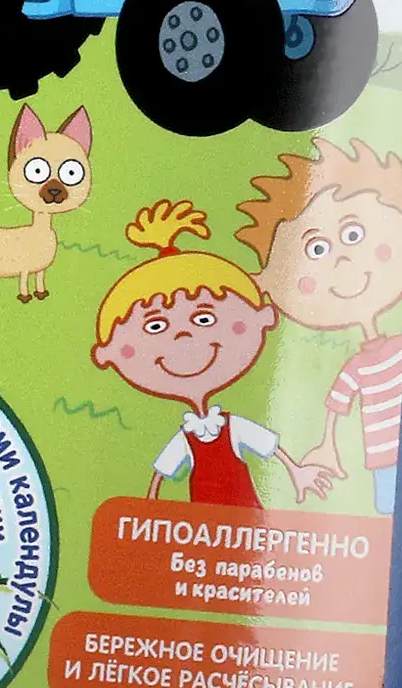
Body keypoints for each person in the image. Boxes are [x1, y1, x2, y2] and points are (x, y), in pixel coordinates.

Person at [91, 199, 332, 508]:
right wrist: (149, 507)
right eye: (155, 326)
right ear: (109, 353)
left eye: (204, 319)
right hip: (203, 517)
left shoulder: (231, 426)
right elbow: (161, 473)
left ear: (261, 317)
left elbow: (267, 447)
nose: (182, 337)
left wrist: (297, 472)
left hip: (244, 512)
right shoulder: (188, 437)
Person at [236, 139, 402, 516]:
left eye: (354, 234)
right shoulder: (358, 367)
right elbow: (338, 403)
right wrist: (327, 447)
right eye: (316, 250)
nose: (343, 262)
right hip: (382, 458)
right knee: (391, 511)